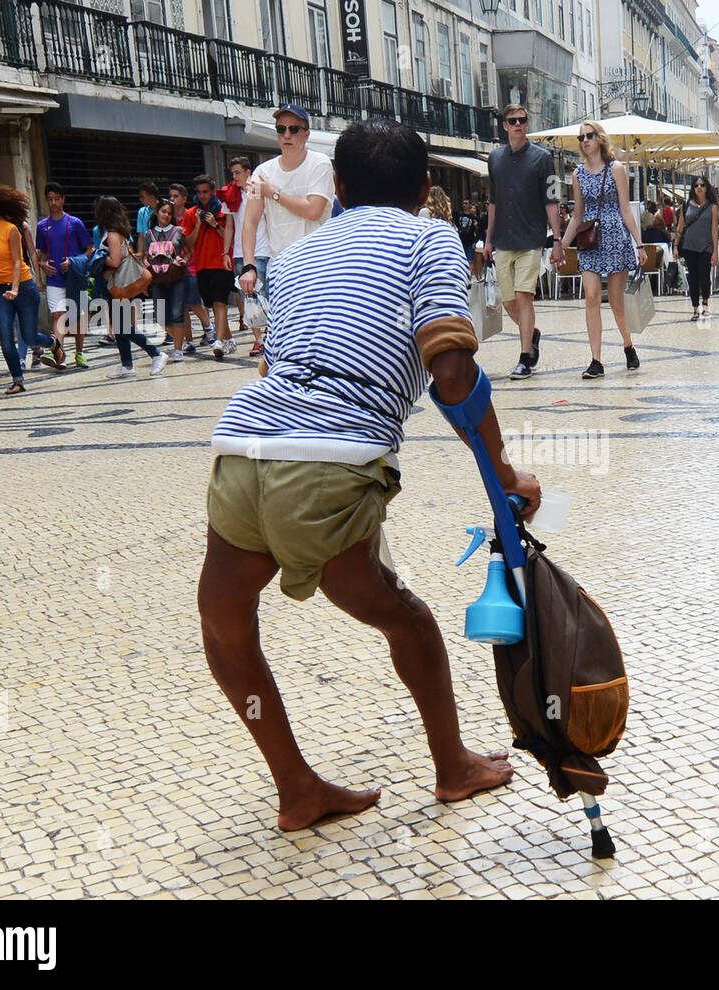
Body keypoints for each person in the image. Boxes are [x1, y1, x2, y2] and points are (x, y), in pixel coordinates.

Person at [199, 118, 538, 832]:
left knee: (225, 622)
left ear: (341, 188)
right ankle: (452, 767)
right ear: (424, 190)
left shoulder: (296, 258)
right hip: (331, 465)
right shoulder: (429, 238)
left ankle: (296, 788)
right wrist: (504, 474)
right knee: (401, 616)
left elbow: (273, 367)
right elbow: (451, 367)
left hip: (243, 452)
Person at [559, 120, 645, 379]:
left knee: (617, 303)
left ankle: (628, 344)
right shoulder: (577, 174)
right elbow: (577, 214)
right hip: (590, 240)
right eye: (581, 137)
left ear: (599, 139)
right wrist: (561, 245)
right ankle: (596, 360)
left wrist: (638, 243)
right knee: (592, 298)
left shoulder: (616, 168)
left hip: (615, 236)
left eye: (589, 135)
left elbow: (625, 208)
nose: (585, 140)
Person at [484, 103, 563, 381]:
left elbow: (552, 200)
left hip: (532, 238)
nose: (518, 124)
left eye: (523, 120)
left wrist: (557, 239)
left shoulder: (543, 158)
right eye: (513, 120)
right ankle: (533, 335)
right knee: (508, 303)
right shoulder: (494, 159)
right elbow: (492, 202)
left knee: (523, 296)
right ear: (504, 125)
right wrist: (488, 239)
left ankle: (524, 359)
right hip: (503, 239)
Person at [238, 103, 336, 305]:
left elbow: (313, 210)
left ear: (306, 134)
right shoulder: (260, 173)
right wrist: (248, 266)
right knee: (282, 332)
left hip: (318, 266)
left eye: (294, 129)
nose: (287, 135)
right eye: (281, 129)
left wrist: (273, 193)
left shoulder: (321, 163)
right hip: (281, 268)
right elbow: (250, 222)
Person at [0, 185, 53, 395]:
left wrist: (16, 288)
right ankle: (17, 379)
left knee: (29, 337)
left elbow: (17, 262)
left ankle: (53, 344)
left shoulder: (10, 230)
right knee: (6, 337)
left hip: (24, 287)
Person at [96, 196, 166, 380]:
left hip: (119, 283)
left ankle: (156, 353)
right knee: (120, 328)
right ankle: (127, 365)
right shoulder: (121, 232)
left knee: (123, 328)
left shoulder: (112, 234)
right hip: (121, 284)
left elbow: (115, 260)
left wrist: (100, 257)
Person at [35, 181, 93, 370]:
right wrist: (43, 265)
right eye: (50, 199)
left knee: (78, 316)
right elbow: (41, 253)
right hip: (54, 278)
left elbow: (89, 249)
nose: (53, 203)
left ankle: (79, 352)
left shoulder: (75, 223)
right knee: (58, 314)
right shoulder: (42, 226)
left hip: (74, 276)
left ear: (63, 200)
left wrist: (74, 262)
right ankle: (58, 353)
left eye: (57, 199)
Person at [185, 175, 235, 359]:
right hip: (202, 265)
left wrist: (214, 224)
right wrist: (199, 224)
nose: (202, 195)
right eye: (198, 192)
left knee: (220, 303)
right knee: (214, 305)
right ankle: (229, 341)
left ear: (213, 191)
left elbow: (231, 240)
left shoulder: (224, 211)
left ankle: (219, 341)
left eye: (205, 192)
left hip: (222, 262)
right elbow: (188, 242)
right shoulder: (191, 214)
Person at [228, 156, 271, 358]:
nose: (234, 177)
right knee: (248, 298)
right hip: (239, 253)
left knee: (265, 296)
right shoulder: (231, 196)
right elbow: (230, 225)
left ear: (248, 172)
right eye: (232, 173)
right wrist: (224, 251)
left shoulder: (260, 192)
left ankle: (270, 335)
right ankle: (258, 340)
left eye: (237, 172)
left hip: (262, 251)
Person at [143, 199, 192, 361]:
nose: (166, 215)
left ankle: (178, 349)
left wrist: (183, 260)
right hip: (156, 279)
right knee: (160, 316)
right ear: (157, 212)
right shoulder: (148, 235)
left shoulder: (178, 231)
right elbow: (144, 256)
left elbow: (188, 252)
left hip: (176, 276)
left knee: (177, 312)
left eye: (169, 213)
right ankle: (180, 339)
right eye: (163, 212)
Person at [170, 182, 212, 349]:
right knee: (183, 306)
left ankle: (209, 330)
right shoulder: (169, 217)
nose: (172, 199)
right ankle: (189, 340)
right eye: (171, 196)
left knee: (195, 301)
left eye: (176, 196)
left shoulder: (192, 214)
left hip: (194, 264)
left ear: (184, 198)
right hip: (176, 267)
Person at [674, 176, 719, 321]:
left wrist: (715, 253)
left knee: (704, 276)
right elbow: (680, 227)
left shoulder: (713, 207)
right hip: (689, 246)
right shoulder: (686, 205)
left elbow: (714, 230)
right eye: (696, 185)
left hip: (706, 246)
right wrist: (675, 245)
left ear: (707, 188)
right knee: (692, 277)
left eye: (702, 185)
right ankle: (695, 308)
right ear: (693, 188)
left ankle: (705, 302)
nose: (699, 187)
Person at [136, 181, 159, 246]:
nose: (140, 199)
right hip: (148, 251)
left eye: (142, 197)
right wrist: (140, 254)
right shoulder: (142, 212)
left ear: (151, 197)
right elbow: (141, 237)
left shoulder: (164, 210)